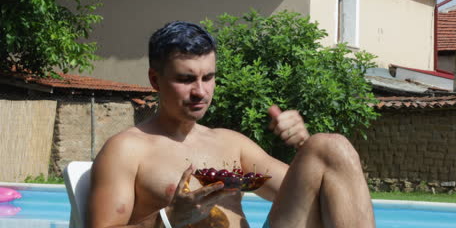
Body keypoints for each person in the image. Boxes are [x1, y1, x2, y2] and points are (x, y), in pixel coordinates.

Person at [88, 21, 375, 228]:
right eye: (186, 79)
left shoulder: (229, 142)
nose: (201, 91)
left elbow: (309, 192)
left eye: (208, 77)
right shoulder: (127, 149)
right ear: (155, 80)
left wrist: (304, 143)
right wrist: (168, 219)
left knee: (329, 147)